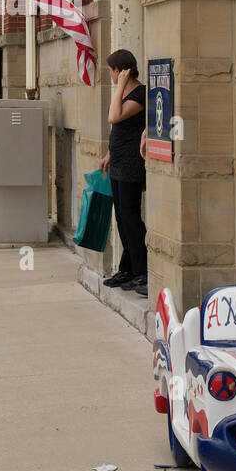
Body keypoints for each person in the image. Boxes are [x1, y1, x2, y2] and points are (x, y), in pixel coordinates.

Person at [101, 49, 148, 297]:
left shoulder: (139, 93)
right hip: (118, 161)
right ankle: (127, 268)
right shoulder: (125, 93)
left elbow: (114, 117)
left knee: (131, 218)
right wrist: (109, 154)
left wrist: (119, 86)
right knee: (121, 218)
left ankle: (143, 271)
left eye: (111, 71)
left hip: (132, 165)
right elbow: (119, 130)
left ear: (121, 71)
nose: (110, 74)